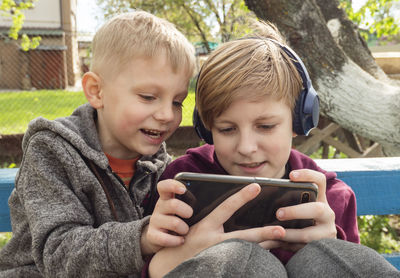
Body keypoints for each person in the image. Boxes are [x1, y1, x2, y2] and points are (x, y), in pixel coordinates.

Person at [146, 21, 400, 277]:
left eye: (266, 126)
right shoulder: (181, 186)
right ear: (207, 129)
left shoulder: (332, 198)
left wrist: (333, 243)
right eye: (226, 129)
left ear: (299, 121)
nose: (246, 147)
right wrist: (168, 263)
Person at [0, 11, 196, 277]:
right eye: (149, 96)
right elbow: (59, 254)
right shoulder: (51, 151)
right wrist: (142, 238)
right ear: (96, 91)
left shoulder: (160, 166)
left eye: (177, 102)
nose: (167, 115)